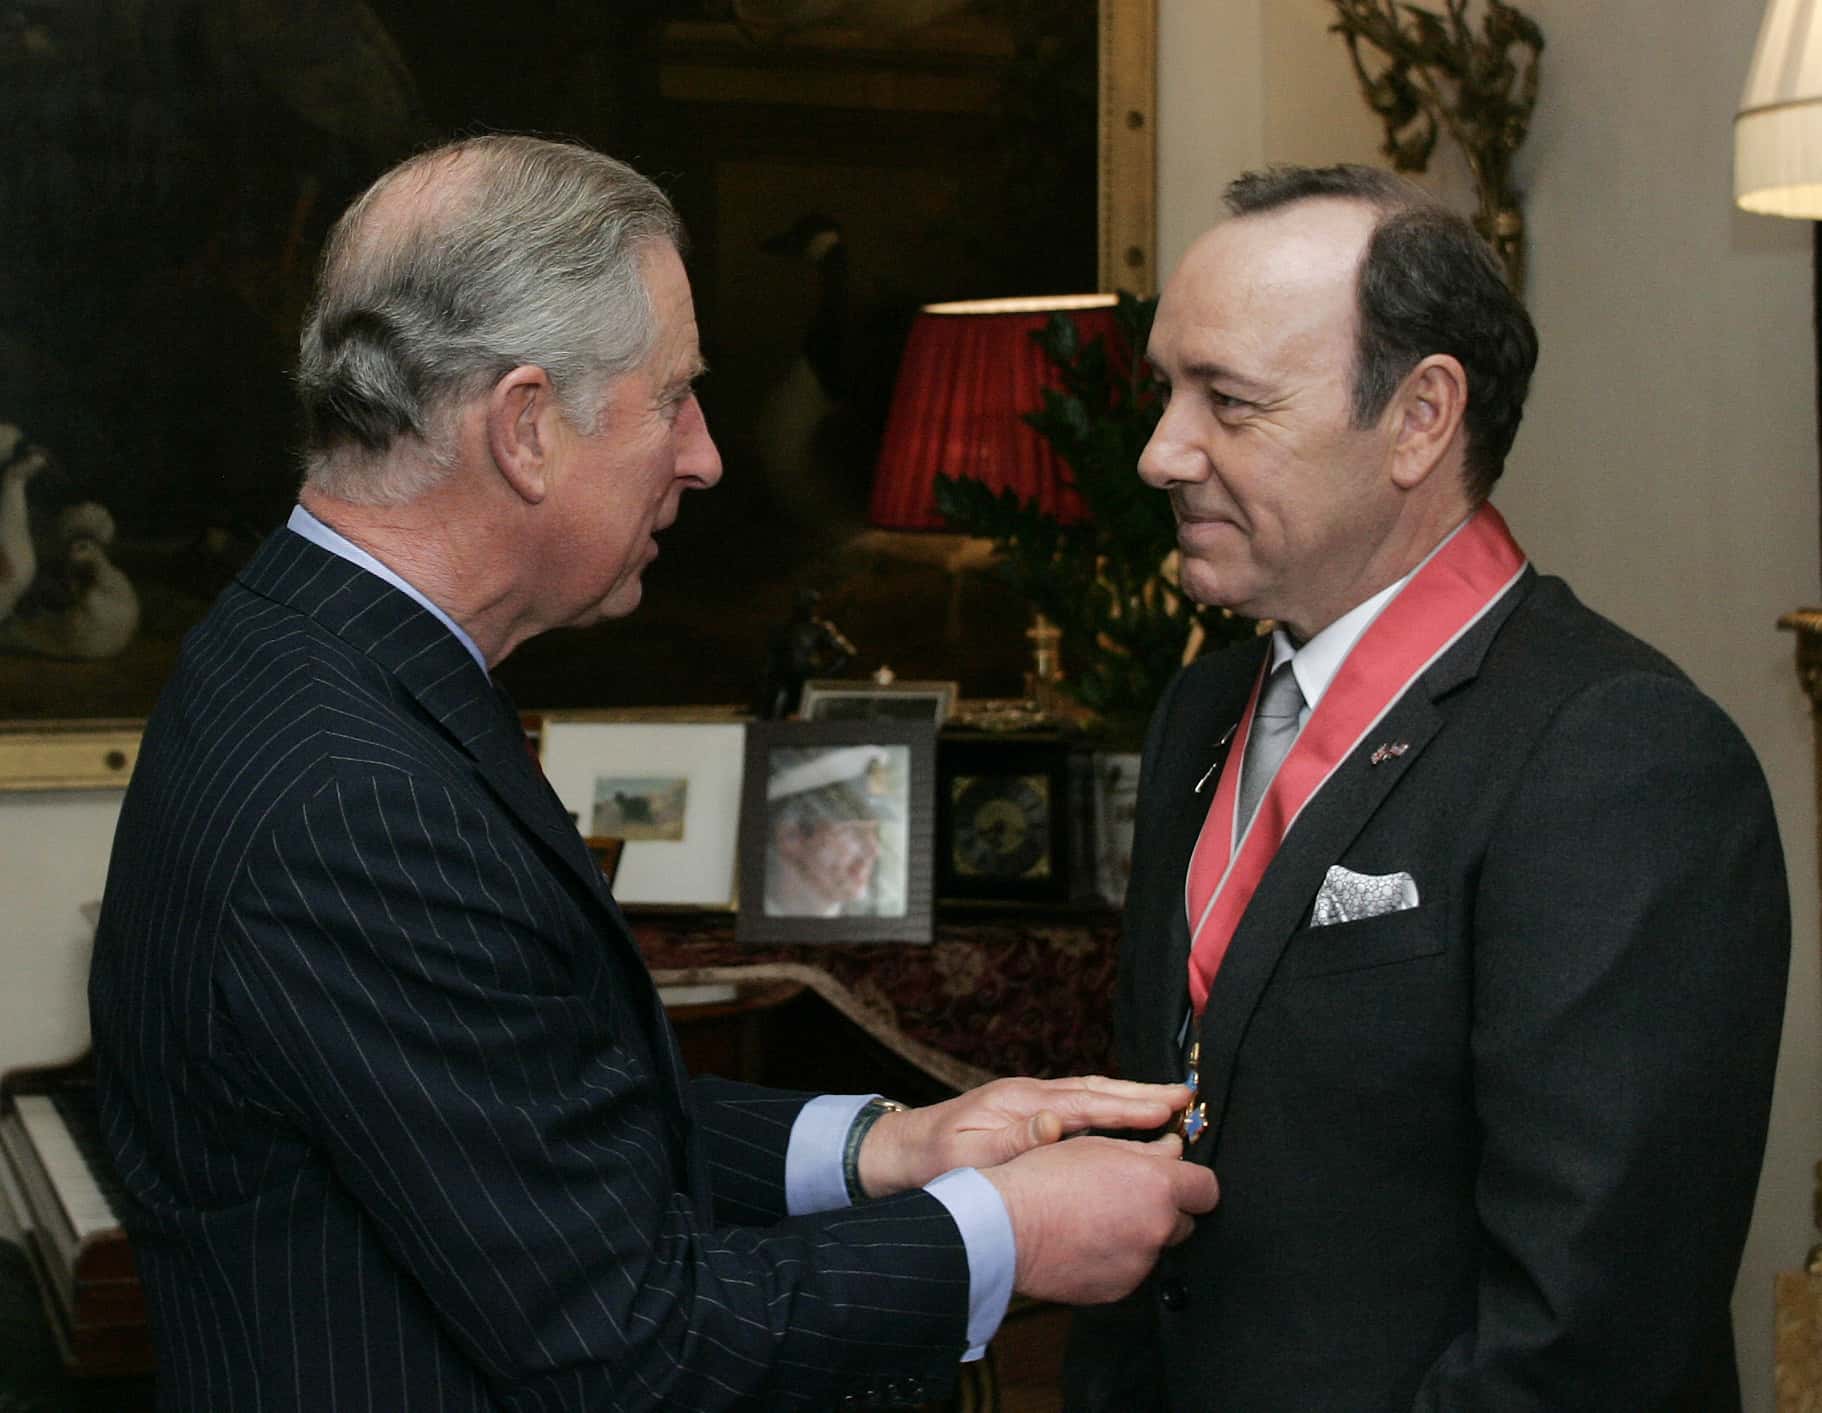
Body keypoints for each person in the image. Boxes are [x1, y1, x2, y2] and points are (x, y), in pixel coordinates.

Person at [87, 134, 1218, 1412]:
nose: (705, 454)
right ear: (525, 426)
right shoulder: (357, 796)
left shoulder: (306, 648)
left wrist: (889, 1147)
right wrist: (1004, 1235)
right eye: (672, 396)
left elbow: (524, 1118)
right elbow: (620, 1343)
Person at [1063, 164, 1790, 1411]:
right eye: (1165, 392)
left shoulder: (1617, 754)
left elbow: (1589, 1329)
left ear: (1418, 419)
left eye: (1227, 402)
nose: (1158, 452)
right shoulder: (1201, 708)